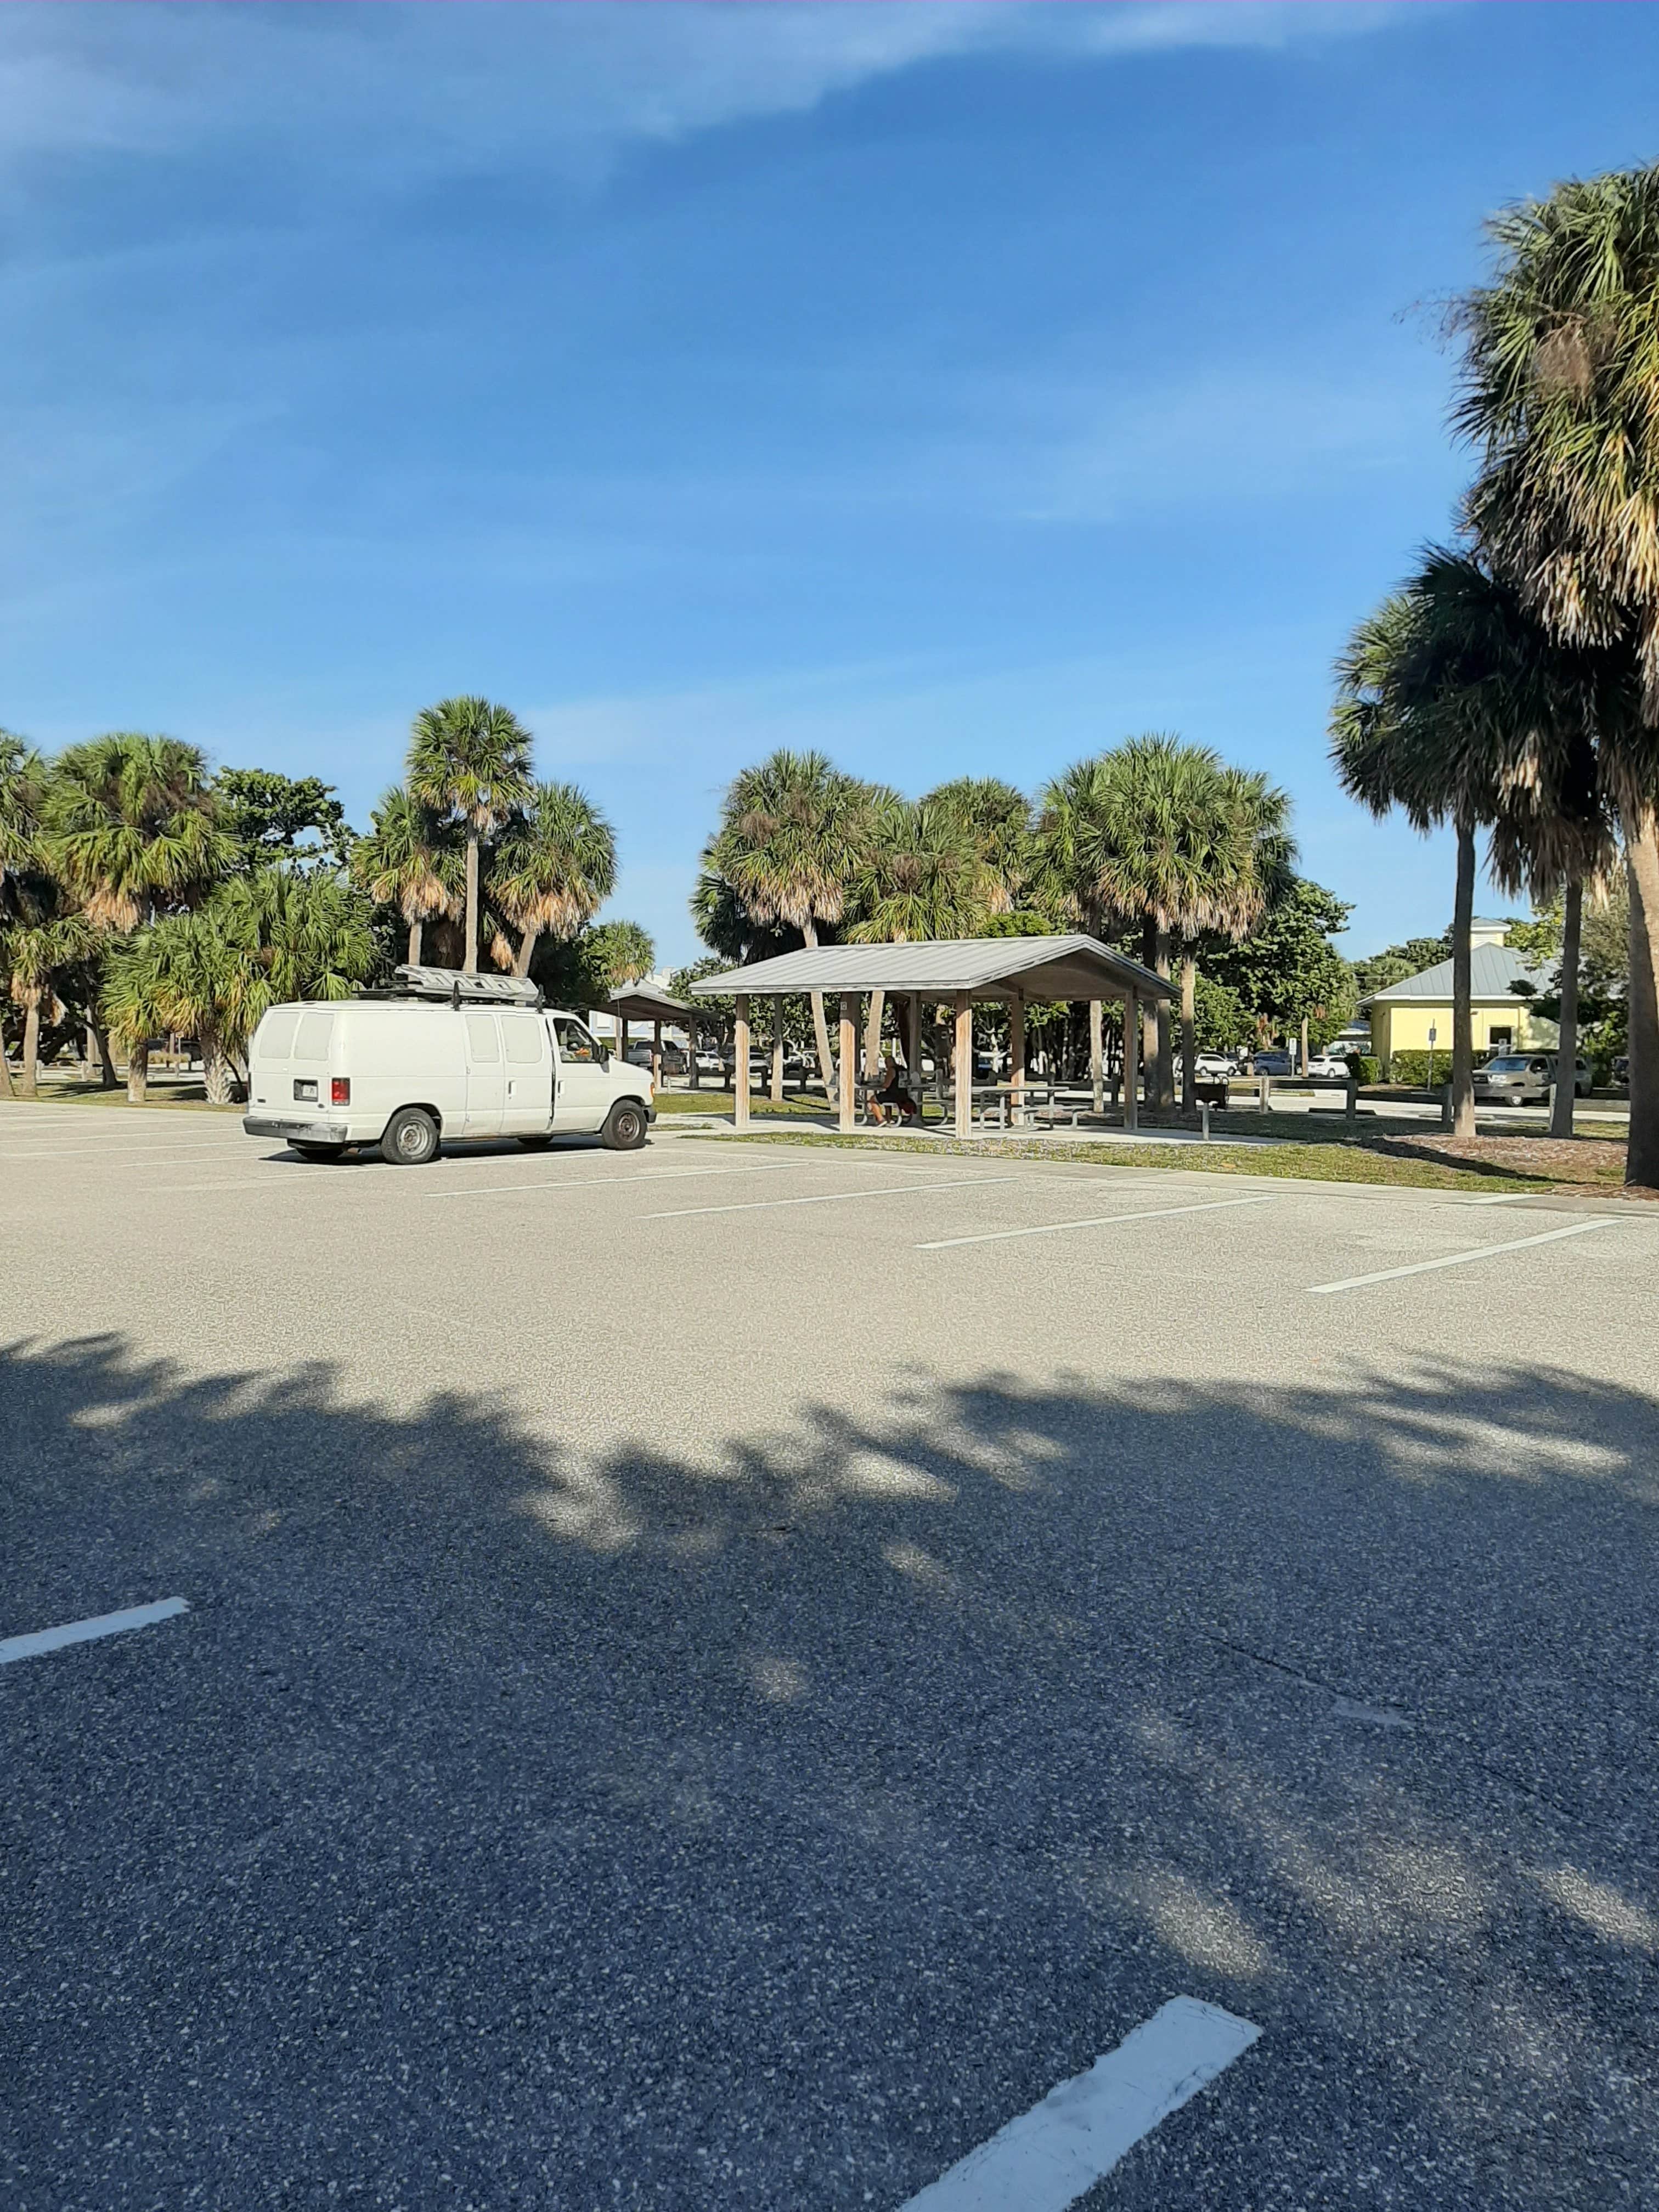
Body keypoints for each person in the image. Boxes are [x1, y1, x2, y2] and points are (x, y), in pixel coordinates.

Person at [867, 1056, 918, 1125]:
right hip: (904, 1095)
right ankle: (889, 1118)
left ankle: (880, 1119)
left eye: (886, 1063)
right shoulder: (903, 1069)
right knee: (885, 1098)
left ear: (888, 1063)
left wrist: (878, 1084)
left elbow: (886, 1085)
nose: (886, 1066)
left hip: (893, 1095)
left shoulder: (892, 1070)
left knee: (873, 1099)